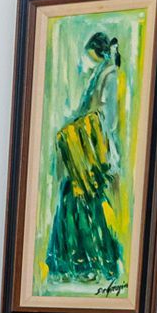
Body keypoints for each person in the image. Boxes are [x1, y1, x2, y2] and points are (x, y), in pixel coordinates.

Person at [45, 30, 124, 287]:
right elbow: (86, 110)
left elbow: (107, 119)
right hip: (86, 152)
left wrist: (82, 132)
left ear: (97, 52)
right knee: (75, 201)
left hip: (94, 155)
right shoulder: (100, 73)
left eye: (90, 55)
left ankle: (92, 263)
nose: (86, 60)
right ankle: (78, 263)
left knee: (85, 205)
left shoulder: (109, 75)